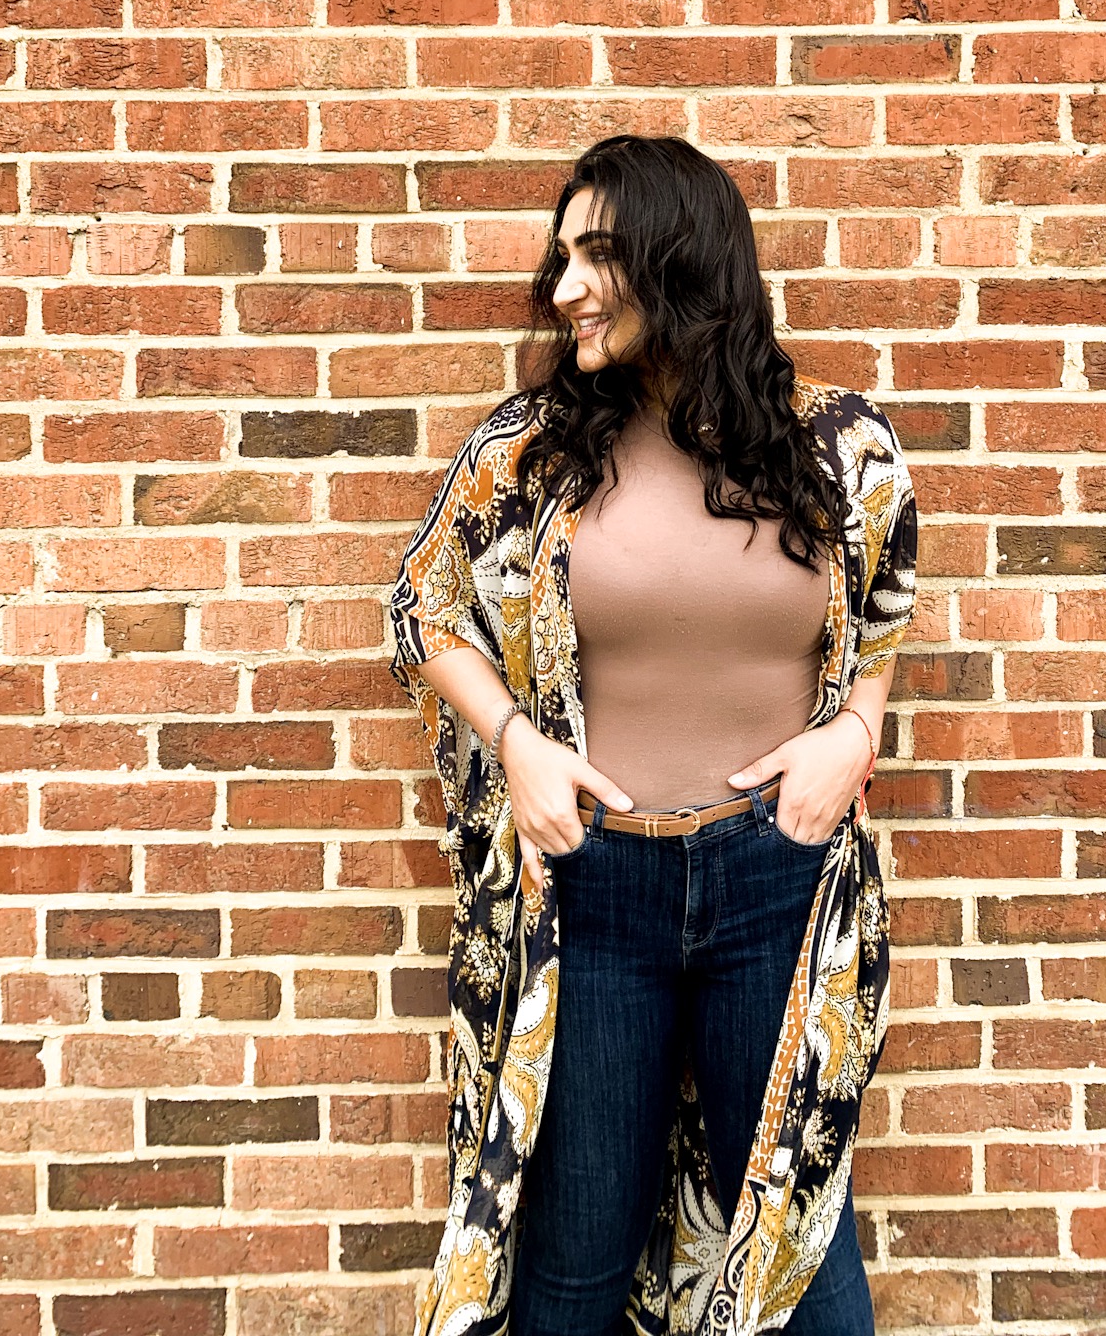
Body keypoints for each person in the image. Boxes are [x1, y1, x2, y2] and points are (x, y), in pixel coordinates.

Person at [388, 134, 918, 1336]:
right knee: (578, 1255)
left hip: (778, 878)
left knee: (803, 1259)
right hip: (595, 888)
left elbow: (884, 616)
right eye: (561, 258)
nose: (565, 286)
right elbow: (422, 604)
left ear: (678, 259)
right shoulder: (533, 451)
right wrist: (517, 741)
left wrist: (856, 729)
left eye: (595, 255)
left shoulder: (841, 447)